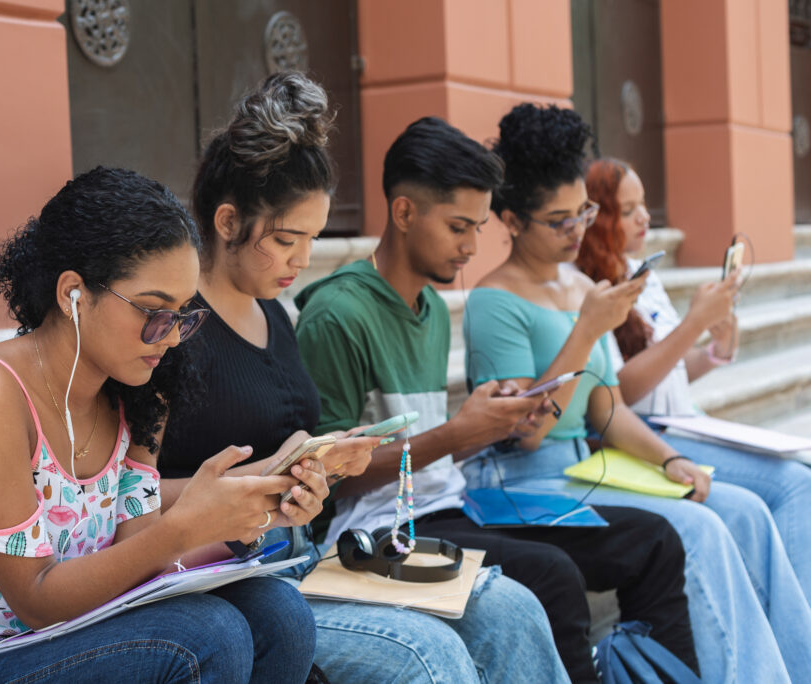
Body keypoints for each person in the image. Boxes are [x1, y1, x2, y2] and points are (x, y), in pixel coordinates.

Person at [158, 72, 568, 684]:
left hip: (300, 559)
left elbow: (291, 447)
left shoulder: (277, 313)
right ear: (226, 222)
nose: (302, 259)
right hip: (231, 583)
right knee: (429, 659)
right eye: (287, 239)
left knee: (512, 608)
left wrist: (326, 458)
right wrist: (270, 476)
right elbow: (131, 494)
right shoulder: (173, 333)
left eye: (313, 239)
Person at [0, 167, 318, 683]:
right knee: (208, 634)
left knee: (280, 615)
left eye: (183, 314)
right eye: (155, 311)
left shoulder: (138, 395)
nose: (172, 337)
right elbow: (37, 600)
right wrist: (183, 529)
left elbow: (138, 562)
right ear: (73, 292)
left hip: (72, 637)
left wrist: (251, 514)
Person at [295, 115, 698, 684]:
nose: (471, 247)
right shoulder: (338, 314)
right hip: (377, 532)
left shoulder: (431, 309)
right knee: (554, 576)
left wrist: (490, 415)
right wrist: (459, 433)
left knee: (654, 539)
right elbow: (331, 480)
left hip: (453, 507)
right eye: (459, 227)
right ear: (404, 212)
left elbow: (432, 442)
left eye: (479, 227)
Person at [462, 102, 809, 682]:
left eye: (584, 213)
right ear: (514, 221)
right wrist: (587, 330)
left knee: (743, 510)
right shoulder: (494, 302)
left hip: (586, 469)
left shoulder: (580, 285)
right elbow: (527, 433)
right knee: (697, 531)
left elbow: (609, 408)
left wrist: (671, 459)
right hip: (524, 486)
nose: (578, 231)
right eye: (559, 220)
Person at [577, 157, 811, 599]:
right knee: (792, 486)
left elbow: (668, 374)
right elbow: (616, 395)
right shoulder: (590, 287)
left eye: (644, 205)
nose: (645, 217)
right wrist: (692, 326)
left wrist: (715, 350)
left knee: (796, 473)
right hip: (643, 436)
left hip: (682, 419)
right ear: (599, 218)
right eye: (628, 210)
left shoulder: (640, 272)